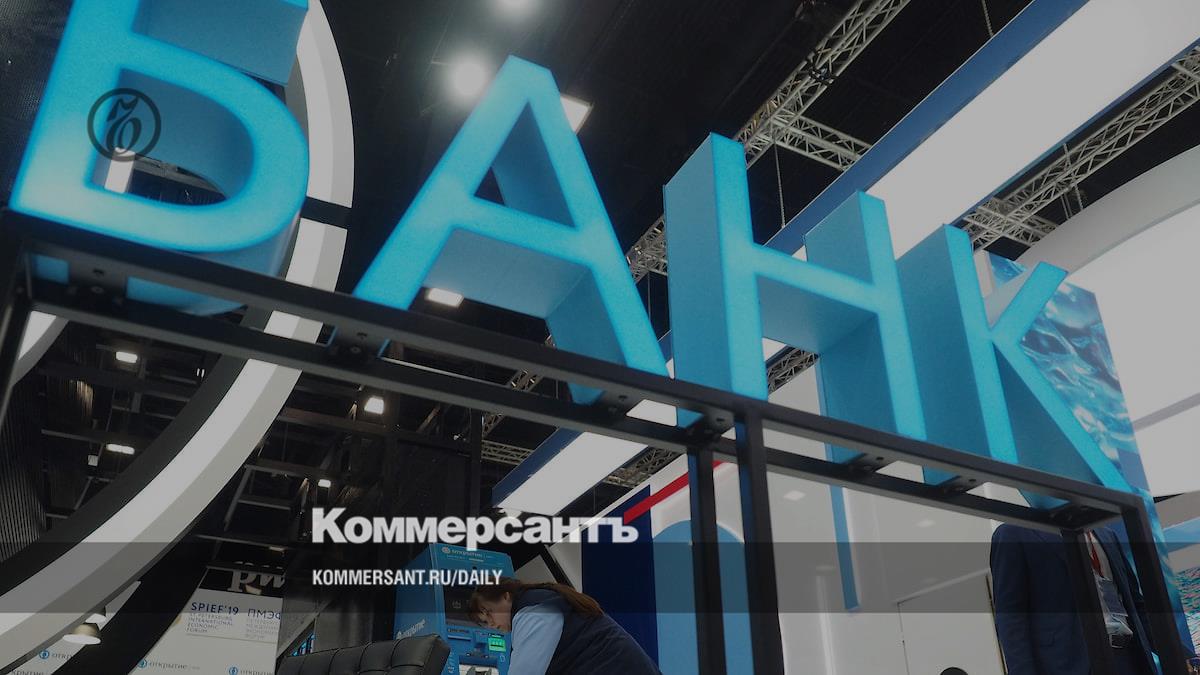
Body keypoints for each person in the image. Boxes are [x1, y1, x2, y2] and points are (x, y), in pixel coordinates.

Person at [990, 523, 1187, 675]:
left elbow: (1137, 607)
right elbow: (1011, 620)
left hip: (1129, 659)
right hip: (1071, 665)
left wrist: (1183, 656)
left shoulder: (1107, 534)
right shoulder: (1014, 534)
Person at [470, 577, 661, 675]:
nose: (491, 624)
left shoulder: (533, 612)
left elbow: (526, 671)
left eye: (489, 612)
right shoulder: (542, 601)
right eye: (485, 622)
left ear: (506, 596)